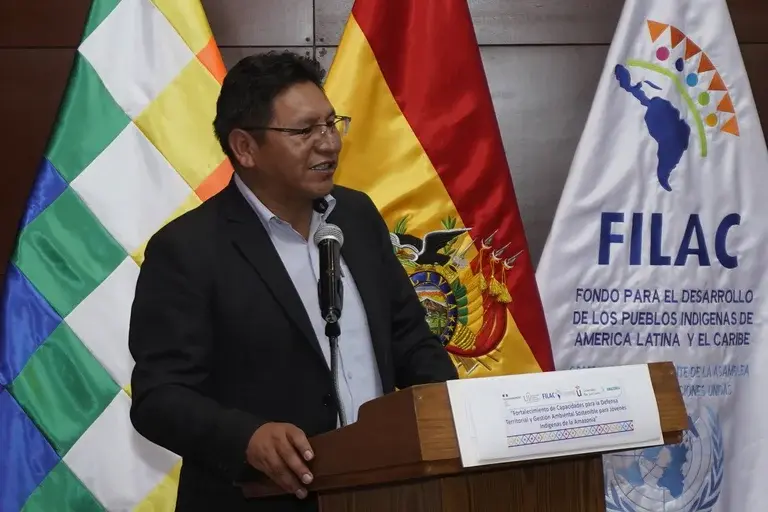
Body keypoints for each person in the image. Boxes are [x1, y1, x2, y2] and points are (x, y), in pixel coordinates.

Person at [127, 51, 458, 512]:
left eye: (331, 124)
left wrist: (460, 411)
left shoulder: (357, 216)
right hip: (259, 500)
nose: (329, 144)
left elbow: (410, 341)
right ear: (245, 147)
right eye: (305, 131)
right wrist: (247, 438)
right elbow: (160, 398)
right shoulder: (188, 250)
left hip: (382, 492)